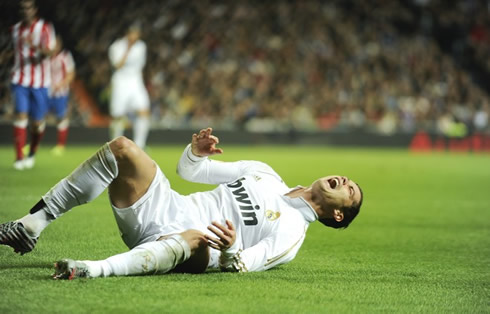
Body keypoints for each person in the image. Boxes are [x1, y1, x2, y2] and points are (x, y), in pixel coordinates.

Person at [0, 128, 363, 279]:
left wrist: (232, 244)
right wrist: (195, 152)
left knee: (196, 236)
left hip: (191, 247)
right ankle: (33, 224)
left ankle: (91, 269)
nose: (346, 181)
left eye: (351, 192)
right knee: (124, 148)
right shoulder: (264, 173)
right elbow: (191, 171)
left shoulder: (292, 233)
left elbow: (241, 265)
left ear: (336, 214)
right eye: (348, 179)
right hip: (162, 208)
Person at [10, 0, 56, 170]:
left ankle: (32, 152)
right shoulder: (15, 30)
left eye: (28, 8)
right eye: (22, 8)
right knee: (20, 115)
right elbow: (14, 52)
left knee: (37, 124)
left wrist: (34, 46)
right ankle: (19, 157)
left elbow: (50, 52)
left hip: (41, 83)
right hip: (20, 80)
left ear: (34, 10)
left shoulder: (44, 28)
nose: (25, 11)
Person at [108, 22, 150, 149]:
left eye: (137, 33)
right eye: (133, 32)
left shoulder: (141, 46)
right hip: (121, 80)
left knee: (144, 111)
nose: (135, 36)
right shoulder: (116, 46)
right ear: (127, 33)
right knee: (118, 115)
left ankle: (140, 145)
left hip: (135, 81)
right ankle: (115, 145)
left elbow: (140, 66)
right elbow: (118, 65)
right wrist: (128, 48)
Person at [48, 35, 75, 156]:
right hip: (45, 92)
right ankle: (33, 144)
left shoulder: (65, 56)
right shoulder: (45, 58)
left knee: (61, 117)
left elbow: (71, 74)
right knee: (37, 117)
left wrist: (61, 84)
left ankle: (60, 145)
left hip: (60, 93)